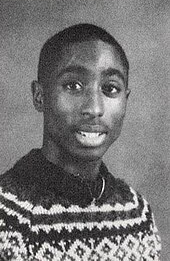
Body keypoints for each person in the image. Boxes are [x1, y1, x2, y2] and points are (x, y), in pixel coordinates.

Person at [0, 23, 161, 260]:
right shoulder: (7, 217)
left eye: (110, 88)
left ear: (126, 100)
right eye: (73, 86)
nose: (94, 108)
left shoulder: (137, 214)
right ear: (39, 96)